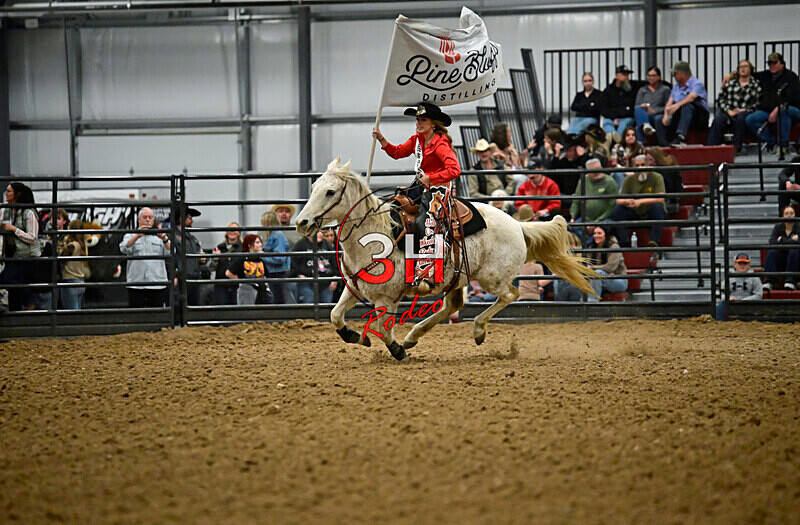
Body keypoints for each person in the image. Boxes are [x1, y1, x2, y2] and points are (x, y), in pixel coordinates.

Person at [372, 101, 461, 288]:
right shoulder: (417, 140)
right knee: (395, 211)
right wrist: (382, 140)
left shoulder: (441, 144)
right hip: (421, 187)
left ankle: (430, 271)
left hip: (438, 190)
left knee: (425, 224)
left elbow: (454, 169)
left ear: (433, 124)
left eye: (423, 120)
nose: (418, 123)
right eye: (418, 119)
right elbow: (397, 153)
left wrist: (432, 178)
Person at [746, 52, 800, 155]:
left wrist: (778, 108)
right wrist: (731, 75)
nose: (772, 66)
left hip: (791, 109)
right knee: (751, 119)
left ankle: (782, 146)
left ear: (782, 64)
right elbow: (749, 74)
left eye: (774, 63)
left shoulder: (791, 77)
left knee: (783, 112)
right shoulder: (766, 75)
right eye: (770, 63)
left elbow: (793, 98)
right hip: (768, 110)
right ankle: (772, 142)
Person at [0, 182, 42, 311]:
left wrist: (14, 229)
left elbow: (33, 237)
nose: (6, 194)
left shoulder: (28, 213)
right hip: (13, 255)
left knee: (5, 279)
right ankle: (16, 312)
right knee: (13, 289)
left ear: (17, 194)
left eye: (9, 191)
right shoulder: (5, 210)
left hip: (28, 256)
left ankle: (29, 301)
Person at [610, 155, 668, 246]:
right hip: (635, 212)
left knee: (657, 206)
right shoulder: (629, 179)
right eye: (637, 165)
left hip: (651, 212)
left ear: (648, 165)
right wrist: (627, 201)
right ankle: (623, 242)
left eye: (642, 164)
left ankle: (653, 241)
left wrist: (639, 201)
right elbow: (618, 200)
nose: (640, 168)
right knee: (618, 209)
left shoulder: (657, 177)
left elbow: (660, 198)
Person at [119, 207, 171, 308]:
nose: (147, 220)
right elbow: (124, 249)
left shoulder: (160, 235)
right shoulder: (130, 235)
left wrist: (164, 239)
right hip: (136, 284)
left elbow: (171, 252)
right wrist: (136, 236)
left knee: (156, 317)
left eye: (150, 217)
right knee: (137, 316)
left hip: (157, 284)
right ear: (139, 220)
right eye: (145, 217)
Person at [706, 59, 762, 153]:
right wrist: (729, 111)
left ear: (750, 69)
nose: (743, 69)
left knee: (741, 118)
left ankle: (736, 148)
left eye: (745, 67)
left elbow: (758, 103)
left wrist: (743, 110)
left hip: (745, 111)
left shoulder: (756, 85)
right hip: (730, 111)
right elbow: (720, 99)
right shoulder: (730, 83)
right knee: (719, 119)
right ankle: (710, 147)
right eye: (741, 67)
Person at [655, 61, 709, 147]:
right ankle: (665, 145)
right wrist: (666, 114)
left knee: (687, 105)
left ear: (682, 74)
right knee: (658, 119)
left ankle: (681, 136)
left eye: (675, 73)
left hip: (698, 116)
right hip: (681, 115)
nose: (674, 76)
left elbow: (691, 97)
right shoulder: (676, 87)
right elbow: (669, 102)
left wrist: (677, 105)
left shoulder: (697, 84)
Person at [570, 158, 619, 240]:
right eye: (594, 171)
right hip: (586, 218)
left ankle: (590, 249)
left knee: (601, 230)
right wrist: (572, 217)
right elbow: (576, 201)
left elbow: (612, 205)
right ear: (588, 172)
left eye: (599, 169)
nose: (598, 173)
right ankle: (582, 250)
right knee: (573, 228)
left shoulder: (610, 182)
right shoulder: (583, 180)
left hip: (604, 218)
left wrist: (597, 222)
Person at [291, 230, 337, 304]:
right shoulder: (301, 244)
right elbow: (293, 262)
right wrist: (298, 275)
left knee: (326, 305)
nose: (319, 234)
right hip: (307, 281)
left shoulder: (327, 244)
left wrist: (335, 278)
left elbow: (335, 263)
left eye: (320, 232)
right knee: (309, 302)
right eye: (316, 232)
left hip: (325, 281)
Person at [225, 233, 272, 305]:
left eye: (260, 242)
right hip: (247, 290)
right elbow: (228, 273)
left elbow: (266, 275)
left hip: (261, 289)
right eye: (257, 242)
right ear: (249, 245)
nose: (260, 244)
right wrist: (242, 280)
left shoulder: (260, 259)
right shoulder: (242, 258)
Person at [716, 253, 763, 321]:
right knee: (721, 306)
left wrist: (744, 301)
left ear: (749, 265)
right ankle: (720, 324)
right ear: (735, 264)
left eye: (745, 263)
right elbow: (722, 294)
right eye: (740, 263)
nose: (742, 266)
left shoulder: (754, 277)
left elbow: (758, 295)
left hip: (748, 304)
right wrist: (728, 298)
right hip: (732, 303)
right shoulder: (728, 277)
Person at [173, 208, 205, 306]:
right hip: (181, 276)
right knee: (179, 303)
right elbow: (171, 257)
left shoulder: (192, 238)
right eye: (189, 217)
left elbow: (200, 254)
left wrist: (202, 258)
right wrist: (173, 275)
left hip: (193, 275)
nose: (192, 220)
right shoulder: (172, 236)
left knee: (193, 303)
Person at [586, 225, 628, 300]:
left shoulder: (614, 247)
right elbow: (587, 266)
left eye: (599, 233)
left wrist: (593, 268)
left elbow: (610, 267)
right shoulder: (592, 248)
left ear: (606, 234)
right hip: (599, 279)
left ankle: (591, 303)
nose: (596, 235)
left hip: (618, 279)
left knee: (598, 273)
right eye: (595, 233)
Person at [763, 205, 800, 291]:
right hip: (782, 258)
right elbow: (772, 242)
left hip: (796, 259)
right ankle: (770, 281)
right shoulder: (778, 227)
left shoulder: (799, 226)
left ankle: (791, 281)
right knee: (772, 253)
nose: (789, 215)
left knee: (794, 250)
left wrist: (782, 240)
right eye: (786, 213)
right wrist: (791, 240)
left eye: (791, 213)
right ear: (783, 216)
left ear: (795, 215)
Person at [260, 210, 291, 304]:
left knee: (279, 298)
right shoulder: (273, 235)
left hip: (278, 273)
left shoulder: (277, 236)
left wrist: (262, 255)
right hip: (274, 272)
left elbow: (280, 258)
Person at [634, 66, 671, 143]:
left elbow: (668, 106)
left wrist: (654, 111)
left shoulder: (665, 89)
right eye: (649, 76)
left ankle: (646, 128)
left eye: (653, 75)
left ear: (659, 77)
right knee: (638, 110)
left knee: (657, 119)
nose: (651, 78)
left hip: (658, 114)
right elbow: (637, 105)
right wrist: (644, 108)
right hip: (645, 115)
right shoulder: (642, 90)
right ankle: (646, 126)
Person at [602, 65, 638, 142]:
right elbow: (603, 108)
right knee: (606, 122)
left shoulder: (633, 87)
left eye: (627, 75)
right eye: (624, 74)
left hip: (627, 117)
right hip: (613, 118)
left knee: (624, 124)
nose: (626, 77)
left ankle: (617, 141)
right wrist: (613, 117)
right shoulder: (609, 90)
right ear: (617, 76)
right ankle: (615, 138)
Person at [57, 219, 87, 310]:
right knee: (77, 311)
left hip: (69, 280)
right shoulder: (83, 246)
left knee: (71, 313)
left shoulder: (72, 246)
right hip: (81, 280)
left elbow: (61, 258)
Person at [209, 222, 242, 305]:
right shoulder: (220, 247)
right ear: (226, 232)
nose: (232, 232)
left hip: (237, 284)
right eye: (230, 230)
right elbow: (211, 268)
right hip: (221, 285)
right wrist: (215, 258)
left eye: (235, 230)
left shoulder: (243, 248)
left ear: (239, 233)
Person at [644, 147, 683, 215]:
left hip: (668, 201)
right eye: (646, 160)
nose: (648, 163)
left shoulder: (667, 171)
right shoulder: (646, 171)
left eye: (650, 160)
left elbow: (671, 188)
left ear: (657, 160)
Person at [554, 232, 590, 301]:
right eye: (571, 244)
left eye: (576, 244)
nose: (574, 247)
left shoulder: (582, 257)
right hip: (562, 282)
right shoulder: (559, 255)